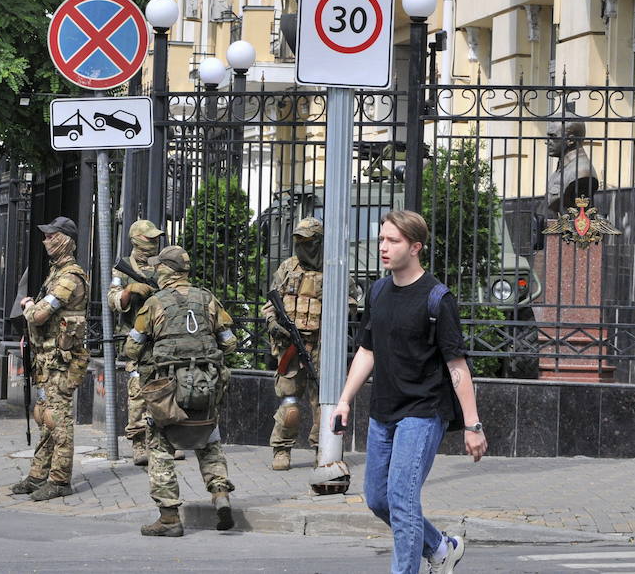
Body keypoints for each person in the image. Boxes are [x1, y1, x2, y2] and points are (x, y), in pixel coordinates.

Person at [332, 211, 487, 574]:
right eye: (382, 239)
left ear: (415, 247)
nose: (383, 247)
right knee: (378, 499)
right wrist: (344, 399)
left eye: (393, 241)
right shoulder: (378, 292)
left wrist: (472, 425)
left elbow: (457, 366)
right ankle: (440, 546)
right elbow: (367, 350)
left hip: (423, 411)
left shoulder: (437, 299)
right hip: (384, 410)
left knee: (402, 499)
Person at [123, 245, 237, 537]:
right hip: (206, 386)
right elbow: (230, 342)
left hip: (169, 392)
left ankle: (170, 518)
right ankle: (220, 493)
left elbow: (132, 347)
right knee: (209, 439)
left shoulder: (154, 304)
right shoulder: (208, 299)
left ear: (165, 271)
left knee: (160, 448)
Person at [259, 216, 360, 471]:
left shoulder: (334, 269)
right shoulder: (287, 269)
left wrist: (341, 304)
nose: (302, 245)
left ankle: (321, 448)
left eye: (308, 241)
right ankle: (282, 449)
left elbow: (352, 304)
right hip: (290, 345)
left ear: (318, 241)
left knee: (323, 402)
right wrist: (274, 324)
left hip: (322, 345)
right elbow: (270, 305)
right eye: (298, 240)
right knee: (289, 403)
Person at [11, 216, 89, 501]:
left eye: (50, 236)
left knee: (58, 418)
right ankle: (37, 475)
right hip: (46, 359)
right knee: (44, 416)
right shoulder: (56, 273)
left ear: (62, 240)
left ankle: (59, 480)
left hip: (61, 363)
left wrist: (29, 305)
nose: (45, 241)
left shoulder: (69, 277)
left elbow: (40, 314)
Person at [107, 218, 165, 466]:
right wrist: (130, 291)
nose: (153, 242)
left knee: (163, 390)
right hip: (134, 340)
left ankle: (161, 441)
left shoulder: (163, 264)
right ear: (136, 240)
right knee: (137, 393)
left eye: (155, 238)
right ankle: (138, 442)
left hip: (160, 339)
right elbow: (113, 299)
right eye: (149, 238)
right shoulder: (123, 268)